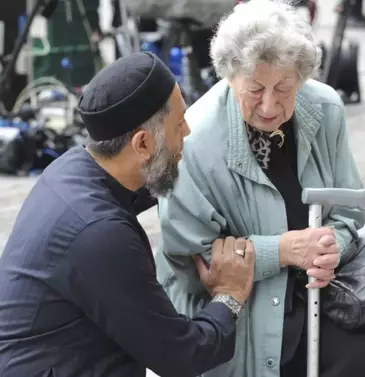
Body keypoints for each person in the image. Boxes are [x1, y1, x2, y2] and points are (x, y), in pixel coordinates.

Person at [154, 1, 365, 377]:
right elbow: (193, 261)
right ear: (229, 76)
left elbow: (347, 208)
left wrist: (331, 246)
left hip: (320, 292)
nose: (269, 106)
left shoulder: (325, 107)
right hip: (243, 307)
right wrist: (283, 251)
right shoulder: (195, 141)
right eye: (255, 89)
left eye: (284, 87)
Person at [0, 52, 256, 377]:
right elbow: (181, 355)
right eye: (179, 123)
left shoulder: (72, 168)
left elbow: (143, 190)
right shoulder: (99, 234)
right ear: (143, 144)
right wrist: (229, 296)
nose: (189, 131)